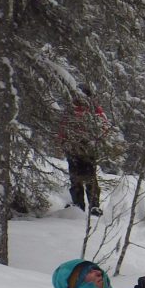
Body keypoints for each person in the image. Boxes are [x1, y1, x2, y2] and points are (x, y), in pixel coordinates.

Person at [59, 86, 109, 216]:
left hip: (78, 149)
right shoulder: (93, 109)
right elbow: (104, 127)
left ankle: (81, 207)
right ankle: (90, 207)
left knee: (80, 179)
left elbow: (63, 128)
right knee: (87, 179)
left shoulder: (77, 109)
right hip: (84, 149)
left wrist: (62, 141)